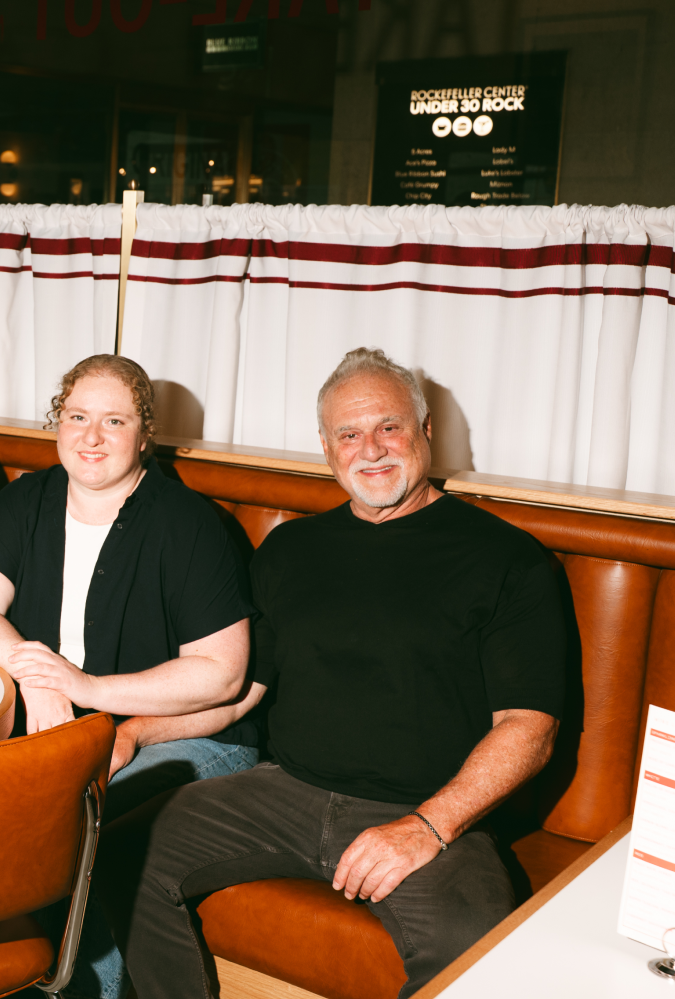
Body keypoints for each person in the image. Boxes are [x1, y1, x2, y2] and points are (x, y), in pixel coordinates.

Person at [105, 347, 566, 999]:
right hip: (285, 791)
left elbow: (530, 728)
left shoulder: (507, 560)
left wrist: (427, 827)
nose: (371, 449)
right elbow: (241, 692)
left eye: (389, 427)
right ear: (327, 449)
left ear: (425, 431)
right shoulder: (292, 548)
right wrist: (135, 732)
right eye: (349, 434)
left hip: (429, 806)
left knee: (477, 956)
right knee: (118, 854)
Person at [0, 353, 260, 999]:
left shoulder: (189, 525)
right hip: (59, 725)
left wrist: (89, 693)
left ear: (145, 434)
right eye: (78, 417)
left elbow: (222, 675)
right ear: (56, 423)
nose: (92, 437)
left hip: (191, 737)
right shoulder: (26, 500)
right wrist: (37, 676)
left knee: (89, 829)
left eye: (114, 421)